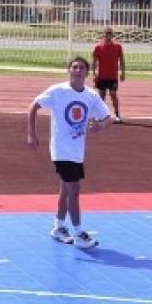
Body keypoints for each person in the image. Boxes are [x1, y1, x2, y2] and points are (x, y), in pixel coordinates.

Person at [26, 56, 112, 249]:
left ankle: (58, 226)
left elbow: (108, 117)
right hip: (60, 150)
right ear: (69, 70)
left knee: (65, 189)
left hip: (77, 151)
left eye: (82, 67)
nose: (78, 70)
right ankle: (79, 232)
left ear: (87, 72)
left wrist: (101, 126)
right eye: (74, 67)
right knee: (74, 190)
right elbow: (34, 106)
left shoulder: (91, 95)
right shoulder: (58, 91)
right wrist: (32, 133)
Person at [91, 27, 126, 123]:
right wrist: (94, 74)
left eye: (110, 33)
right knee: (101, 96)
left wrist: (123, 73)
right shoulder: (98, 47)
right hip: (101, 76)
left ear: (112, 34)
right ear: (104, 34)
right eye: (107, 33)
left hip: (113, 76)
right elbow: (94, 62)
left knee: (113, 95)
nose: (108, 35)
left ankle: (117, 115)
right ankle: (102, 115)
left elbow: (122, 60)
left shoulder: (117, 46)